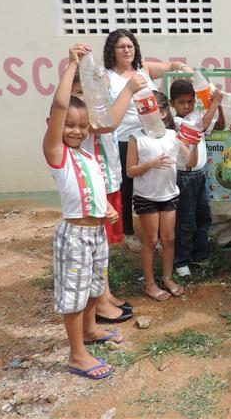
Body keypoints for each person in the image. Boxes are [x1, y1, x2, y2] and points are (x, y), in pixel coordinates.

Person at [43, 44, 122, 380]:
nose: (76, 130)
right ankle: (77, 354)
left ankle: (90, 332)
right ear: (55, 125)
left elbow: (93, 190)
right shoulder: (57, 152)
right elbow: (62, 104)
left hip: (95, 234)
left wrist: (105, 207)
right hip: (74, 236)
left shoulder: (88, 157)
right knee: (73, 297)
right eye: (69, 125)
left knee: (92, 288)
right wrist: (72, 65)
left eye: (82, 126)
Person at [103, 29, 193, 252]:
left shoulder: (144, 68)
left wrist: (182, 68)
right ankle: (128, 232)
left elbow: (172, 65)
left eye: (130, 46)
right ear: (112, 51)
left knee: (157, 181)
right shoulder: (107, 76)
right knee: (127, 185)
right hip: (125, 138)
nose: (126, 50)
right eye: (121, 46)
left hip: (154, 136)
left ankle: (159, 233)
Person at [73, 70, 146, 323]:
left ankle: (105, 294)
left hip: (108, 181)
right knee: (95, 247)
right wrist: (128, 89)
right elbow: (109, 123)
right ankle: (99, 304)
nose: (90, 98)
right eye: (81, 92)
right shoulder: (84, 120)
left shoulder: (98, 111)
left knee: (102, 246)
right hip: (95, 188)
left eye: (98, 92)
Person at [126, 92, 195, 301]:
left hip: (169, 194)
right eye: (142, 112)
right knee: (151, 239)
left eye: (150, 111)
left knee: (169, 238)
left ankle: (167, 277)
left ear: (163, 112)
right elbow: (130, 171)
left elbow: (190, 161)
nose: (145, 116)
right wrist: (150, 164)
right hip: (146, 196)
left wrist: (194, 144)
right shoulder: (136, 138)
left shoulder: (172, 136)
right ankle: (149, 283)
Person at [169, 79, 223, 277]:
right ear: (171, 103)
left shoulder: (196, 115)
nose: (186, 106)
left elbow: (220, 124)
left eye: (190, 101)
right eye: (181, 102)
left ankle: (200, 256)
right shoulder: (174, 122)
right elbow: (200, 128)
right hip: (183, 177)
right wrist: (215, 103)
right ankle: (181, 260)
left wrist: (216, 104)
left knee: (203, 217)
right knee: (186, 221)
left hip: (200, 174)